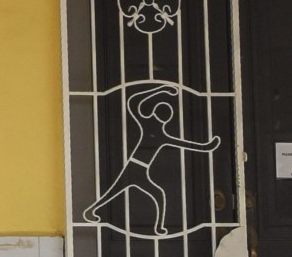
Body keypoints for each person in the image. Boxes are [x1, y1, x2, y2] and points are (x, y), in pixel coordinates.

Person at [84, 83, 221, 236]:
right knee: (138, 193)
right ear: (167, 120)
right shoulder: (158, 132)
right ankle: (158, 228)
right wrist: (160, 89)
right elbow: (133, 102)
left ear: (156, 113)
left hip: (138, 169)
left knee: (128, 192)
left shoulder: (152, 127)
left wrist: (160, 90)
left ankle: (157, 227)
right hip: (135, 168)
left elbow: (134, 102)